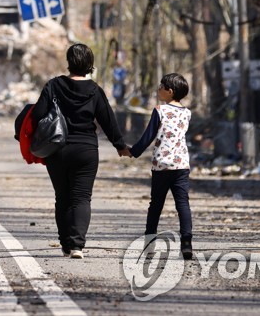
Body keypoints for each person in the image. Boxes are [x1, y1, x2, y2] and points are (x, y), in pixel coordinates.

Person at [31, 43, 130, 259]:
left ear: (69, 62)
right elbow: (108, 121)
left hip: (57, 150)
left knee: (62, 197)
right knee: (82, 198)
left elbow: (38, 114)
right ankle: (77, 245)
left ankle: (66, 244)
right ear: (90, 64)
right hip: (86, 150)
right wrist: (120, 146)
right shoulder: (95, 90)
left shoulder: (53, 86)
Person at [128, 72, 194, 259]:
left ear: (169, 91)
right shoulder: (187, 113)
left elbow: (148, 137)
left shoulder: (160, 110)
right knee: (183, 203)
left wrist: (132, 151)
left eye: (161, 87)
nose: (158, 89)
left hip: (162, 166)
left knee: (156, 204)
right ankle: (187, 243)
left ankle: (149, 245)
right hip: (181, 164)